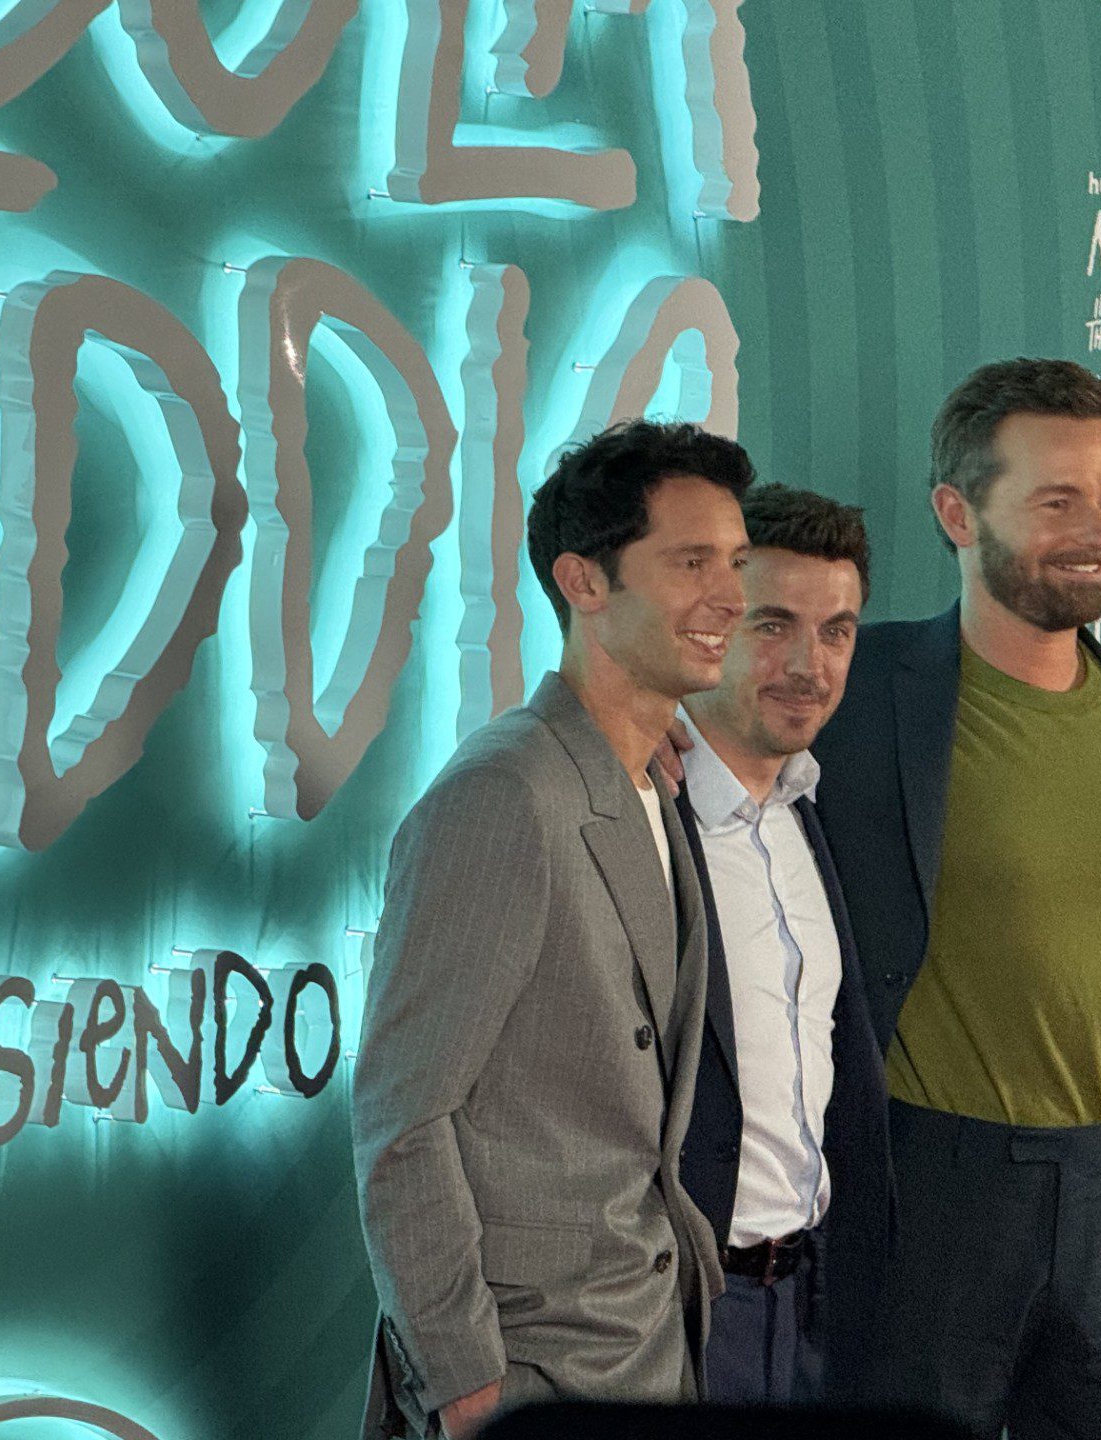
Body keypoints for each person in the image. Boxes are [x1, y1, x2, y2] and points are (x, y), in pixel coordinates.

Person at [812, 358, 1101, 1438]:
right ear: (956, 513)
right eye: (1057, 502)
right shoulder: (853, 694)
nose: (1095, 533)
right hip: (922, 1210)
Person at [352, 420, 752, 1438]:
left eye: (735, 562)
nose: (729, 598)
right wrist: (467, 1387)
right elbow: (404, 1123)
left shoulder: (651, 780)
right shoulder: (502, 797)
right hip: (534, 1375)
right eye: (691, 563)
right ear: (583, 581)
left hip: (649, 1349)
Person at [671, 487, 890, 1406]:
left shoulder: (812, 812)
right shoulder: (640, 810)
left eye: (836, 631)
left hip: (806, 1312)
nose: (810, 665)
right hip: (677, 1316)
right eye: (774, 625)